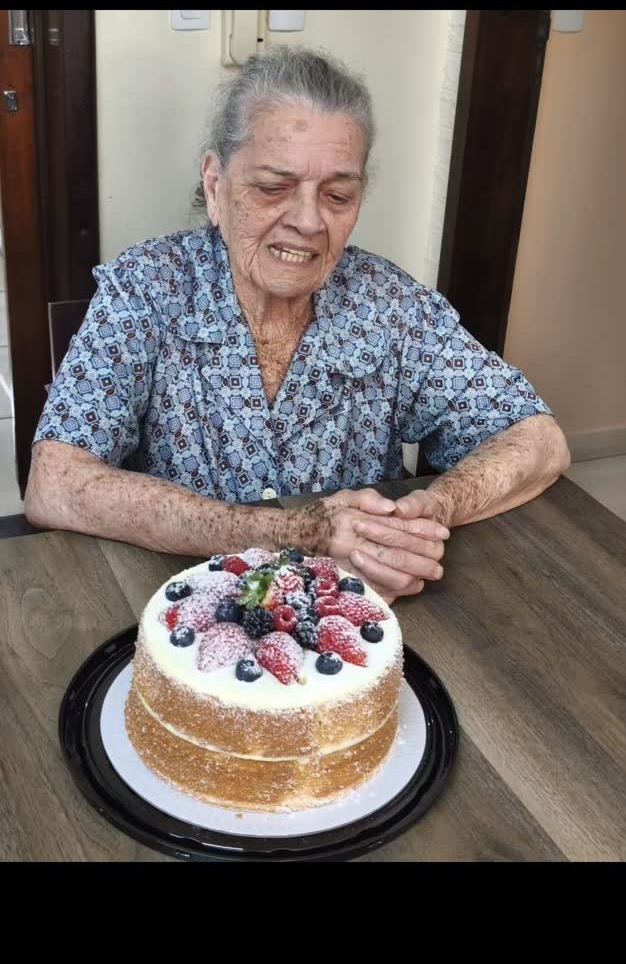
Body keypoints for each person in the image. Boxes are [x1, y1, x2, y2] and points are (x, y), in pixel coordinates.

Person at [25, 47, 570, 602]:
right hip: (187, 615)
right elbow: (57, 484)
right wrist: (296, 533)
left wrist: (429, 511)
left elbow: (537, 439)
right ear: (215, 184)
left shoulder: (390, 305)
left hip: (349, 621)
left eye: (337, 195)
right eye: (273, 187)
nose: (309, 221)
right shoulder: (148, 288)